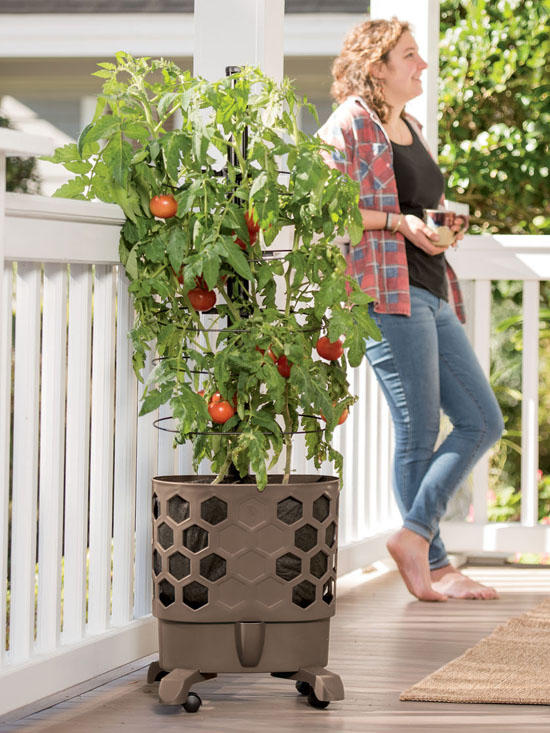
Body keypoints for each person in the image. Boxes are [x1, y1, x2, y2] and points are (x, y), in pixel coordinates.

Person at [317, 18, 504, 602]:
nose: (422, 65)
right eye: (410, 56)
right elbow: (331, 213)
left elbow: (421, 204)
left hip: (429, 286)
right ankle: (435, 563)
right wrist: (398, 222)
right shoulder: (348, 123)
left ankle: (416, 539)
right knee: (419, 430)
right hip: (383, 292)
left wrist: (441, 228)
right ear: (377, 67)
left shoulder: (412, 126)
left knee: (481, 420)